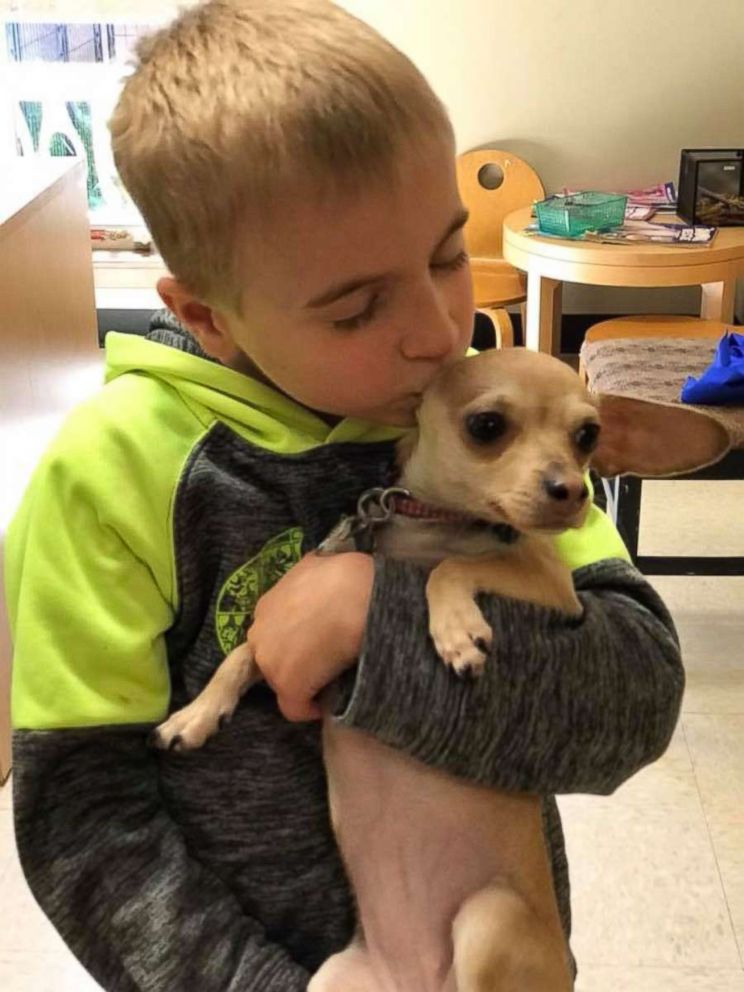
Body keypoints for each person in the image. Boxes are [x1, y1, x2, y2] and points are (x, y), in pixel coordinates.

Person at [5, 2, 683, 989]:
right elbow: (84, 813)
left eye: (448, 254)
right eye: (359, 305)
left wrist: (383, 617)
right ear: (206, 315)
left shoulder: (491, 413)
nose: (437, 331)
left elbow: (636, 699)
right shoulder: (114, 472)